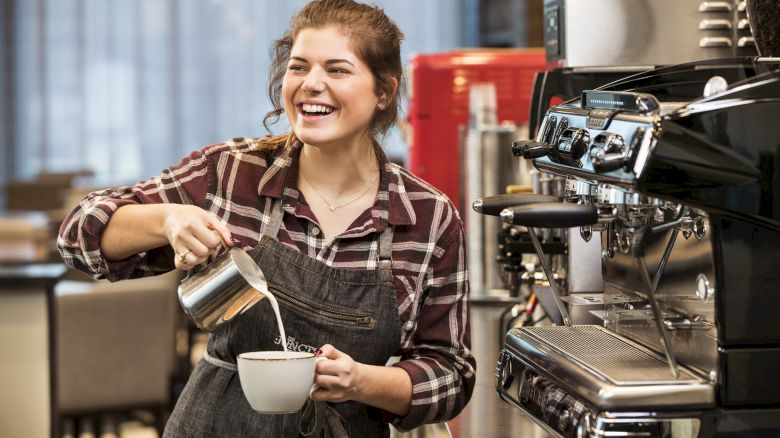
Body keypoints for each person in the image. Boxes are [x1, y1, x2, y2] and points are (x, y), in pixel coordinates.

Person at [58, 0, 475, 436]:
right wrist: (166, 220)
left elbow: (452, 375)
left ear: (383, 91)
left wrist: (362, 381)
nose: (311, 84)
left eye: (337, 70)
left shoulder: (427, 217)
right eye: (299, 67)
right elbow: (77, 236)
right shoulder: (230, 172)